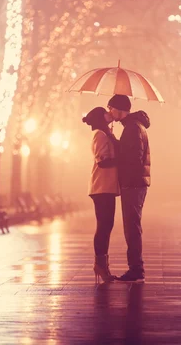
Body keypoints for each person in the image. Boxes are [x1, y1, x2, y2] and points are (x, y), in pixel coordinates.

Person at [107, 95, 150, 283]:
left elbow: (132, 157)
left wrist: (111, 161)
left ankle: (136, 269)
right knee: (132, 226)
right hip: (136, 183)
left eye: (111, 109)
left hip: (133, 183)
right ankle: (135, 267)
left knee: (131, 227)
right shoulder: (134, 126)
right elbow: (129, 152)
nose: (110, 112)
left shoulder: (132, 128)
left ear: (119, 110)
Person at [82, 106, 120, 283]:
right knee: (103, 227)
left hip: (107, 187)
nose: (109, 114)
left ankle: (103, 265)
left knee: (107, 226)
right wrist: (122, 159)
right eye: (105, 112)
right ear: (100, 117)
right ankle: (100, 265)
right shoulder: (99, 134)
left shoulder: (106, 134)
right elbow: (103, 162)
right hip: (101, 186)